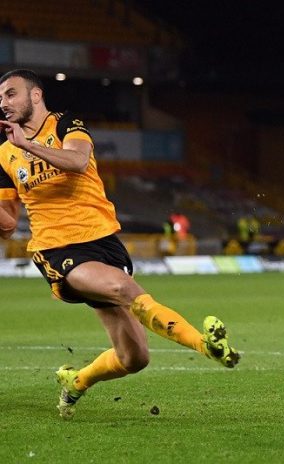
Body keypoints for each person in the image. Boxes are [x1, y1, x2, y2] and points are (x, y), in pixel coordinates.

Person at [0, 69, 240, 420]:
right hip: (58, 250)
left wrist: (28, 145)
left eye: (10, 94)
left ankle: (77, 381)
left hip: (103, 243)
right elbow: (7, 224)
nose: (3, 103)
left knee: (135, 358)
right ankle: (207, 346)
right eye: (2, 97)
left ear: (35, 96)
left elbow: (78, 162)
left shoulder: (67, 125)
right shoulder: (5, 155)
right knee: (123, 287)